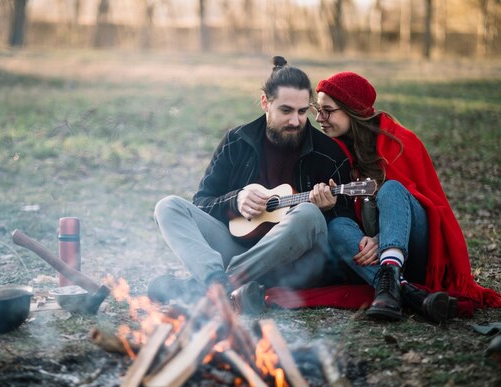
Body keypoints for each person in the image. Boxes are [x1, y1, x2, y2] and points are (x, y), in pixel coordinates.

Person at [149, 56, 357, 312]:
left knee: (309, 213)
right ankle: (218, 282)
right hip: (238, 246)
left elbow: (346, 223)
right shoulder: (237, 141)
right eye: (286, 110)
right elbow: (202, 202)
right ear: (264, 103)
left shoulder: (328, 153)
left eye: (303, 112)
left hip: (294, 264)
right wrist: (236, 199)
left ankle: (215, 287)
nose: (295, 121)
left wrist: (329, 209)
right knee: (168, 206)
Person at [314, 71, 501, 321]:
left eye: (327, 110)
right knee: (337, 226)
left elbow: (429, 205)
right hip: (366, 253)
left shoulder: (399, 142)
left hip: (414, 246)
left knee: (393, 189)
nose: (319, 118)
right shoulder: (329, 150)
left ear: (351, 110)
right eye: (316, 109)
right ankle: (407, 292)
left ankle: (392, 269)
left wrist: (382, 237)